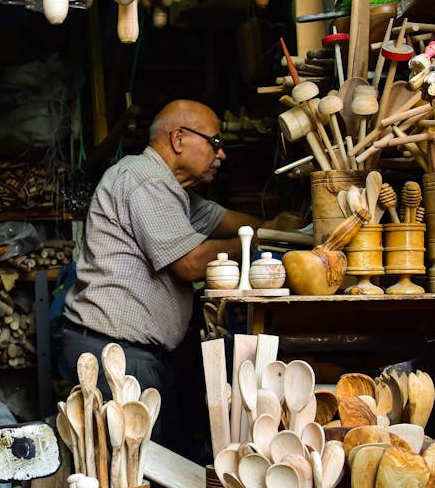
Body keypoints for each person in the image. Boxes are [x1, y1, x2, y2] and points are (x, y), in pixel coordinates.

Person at [59, 99, 276, 445]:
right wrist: (253, 244)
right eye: (215, 143)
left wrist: (282, 230)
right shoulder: (144, 181)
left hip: (140, 354)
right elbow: (190, 264)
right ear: (178, 139)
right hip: (115, 356)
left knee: (153, 466)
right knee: (126, 477)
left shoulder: (175, 193)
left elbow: (235, 222)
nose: (222, 155)